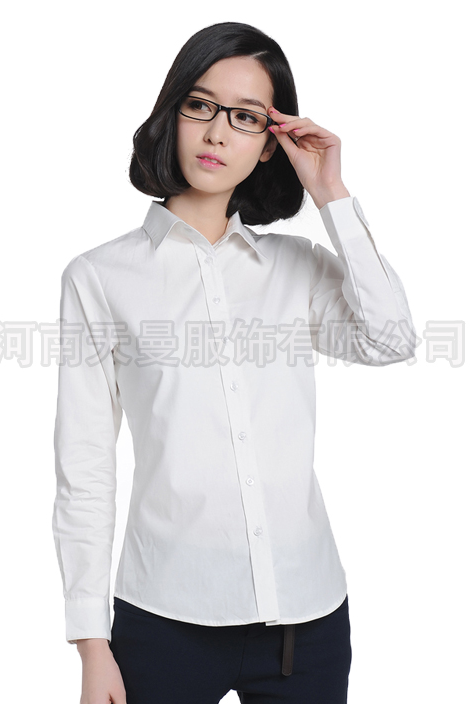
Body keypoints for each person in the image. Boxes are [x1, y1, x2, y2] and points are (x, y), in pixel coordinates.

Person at [52, 21, 416, 704]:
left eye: (246, 117)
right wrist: (90, 643)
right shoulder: (99, 278)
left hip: (306, 620)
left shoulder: (297, 267)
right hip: (164, 621)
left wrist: (331, 193)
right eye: (201, 105)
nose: (218, 133)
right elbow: (85, 467)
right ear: (173, 113)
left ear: (271, 141)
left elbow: (391, 339)